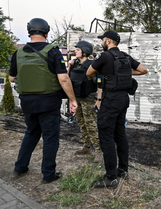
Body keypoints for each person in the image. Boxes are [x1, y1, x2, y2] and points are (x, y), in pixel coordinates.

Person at [9, 18, 77, 183]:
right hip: (48, 103)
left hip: (27, 104)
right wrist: (73, 100)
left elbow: (12, 78)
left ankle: (20, 167)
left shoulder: (18, 53)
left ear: (29, 32)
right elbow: (64, 79)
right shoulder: (53, 52)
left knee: (31, 133)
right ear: (46, 33)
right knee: (50, 137)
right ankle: (48, 174)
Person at [86, 30, 148, 188]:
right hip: (123, 99)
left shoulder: (104, 56)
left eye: (102, 40)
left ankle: (111, 178)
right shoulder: (126, 57)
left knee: (106, 137)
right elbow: (143, 70)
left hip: (110, 100)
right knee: (120, 133)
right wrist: (124, 73)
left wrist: (110, 74)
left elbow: (89, 72)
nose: (101, 43)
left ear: (107, 41)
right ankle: (123, 170)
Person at [68, 40, 103, 163]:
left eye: (78, 49)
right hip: (77, 99)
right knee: (82, 124)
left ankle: (99, 151)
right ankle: (87, 147)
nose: (75, 51)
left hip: (89, 99)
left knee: (91, 126)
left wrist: (99, 99)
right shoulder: (75, 65)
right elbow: (67, 80)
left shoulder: (92, 65)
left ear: (85, 52)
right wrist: (70, 64)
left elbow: (99, 84)